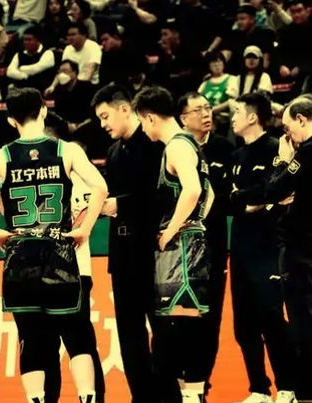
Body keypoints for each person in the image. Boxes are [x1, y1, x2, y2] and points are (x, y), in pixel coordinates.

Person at [0, 87, 108, 403]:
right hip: (59, 253)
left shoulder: (0, 156)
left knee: (32, 339)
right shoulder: (67, 150)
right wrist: (84, 229)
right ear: (43, 110)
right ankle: (87, 398)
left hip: (21, 258)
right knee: (78, 336)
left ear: (10, 119)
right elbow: (101, 187)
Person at [232, 95, 312, 403]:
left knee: (308, 325)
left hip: (304, 248)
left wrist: (282, 161)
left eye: (288, 125)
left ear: (302, 119)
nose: (287, 133)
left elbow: (274, 188)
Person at [132, 86, 214, 402]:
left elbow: (193, 190)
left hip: (182, 248)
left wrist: (171, 230)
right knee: (182, 328)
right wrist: (197, 222)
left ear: (151, 118)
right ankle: (190, 396)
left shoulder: (178, 146)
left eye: (143, 122)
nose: (143, 129)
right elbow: (210, 195)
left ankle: (190, 397)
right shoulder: (192, 145)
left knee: (177, 330)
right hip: (193, 243)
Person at [91, 83, 165, 402]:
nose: (103, 124)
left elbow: (161, 196)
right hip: (121, 257)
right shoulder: (113, 152)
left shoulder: (156, 144)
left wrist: (120, 204)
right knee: (130, 335)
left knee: (163, 330)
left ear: (124, 109)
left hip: (153, 253)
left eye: (105, 116)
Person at [228, 92, 298, 403]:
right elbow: (229, 199)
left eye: (237, 112)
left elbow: (274, 191)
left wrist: (250, 198)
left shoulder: (274, 150)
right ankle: (258, 388)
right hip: (240, 247)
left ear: (253, 116)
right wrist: (249, 200)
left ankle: (287, 387)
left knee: (272, 319)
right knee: (244, 325)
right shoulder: (236, 155)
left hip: (269, 247)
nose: (232, 118)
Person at [177, 92, 233, 399]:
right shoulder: (174, 149)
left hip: (213, 248)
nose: (206, 113)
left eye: (208, 107)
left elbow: (228, 196)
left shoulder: (224, 147)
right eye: (198, 110)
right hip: (177, 252)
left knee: (210, 319)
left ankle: (200, 385)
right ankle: (180, 383)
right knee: (178, 320)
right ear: (183, 118)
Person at [7, 25, 56, 93]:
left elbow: (36, 69)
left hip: (41, 90)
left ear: (38, 40)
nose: (26, 42)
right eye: (25, 40)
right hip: (22, 90)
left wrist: (21, 69)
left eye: (29, 40)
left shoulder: (48, 53)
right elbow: (10, 72)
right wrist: (24, 76)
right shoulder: (19, 54)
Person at [198, 52, 235, 134]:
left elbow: (231, 101)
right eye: (213, 62)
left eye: (219, 61)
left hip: (224, 119)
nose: (216, 65)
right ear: (209, 66)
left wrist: (213, 110)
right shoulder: (204, 83)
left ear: (223, 63)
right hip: (205, 118)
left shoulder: (232, 79)